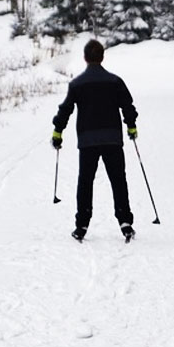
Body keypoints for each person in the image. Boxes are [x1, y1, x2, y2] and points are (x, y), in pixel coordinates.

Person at [52, 39, 138, 242]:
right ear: (102, 57)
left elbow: (66, 109)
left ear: (85, 58)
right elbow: (127, 106)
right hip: (112, 139)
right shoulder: (115, 82)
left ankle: (81, 225)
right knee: (118, 180)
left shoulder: (77, 84)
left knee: (85, 181)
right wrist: (131, 126)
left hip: (87, 140)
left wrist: (58, 131)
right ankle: (125, 222)